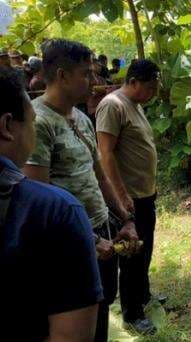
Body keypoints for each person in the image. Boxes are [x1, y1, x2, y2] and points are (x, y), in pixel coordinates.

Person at [22, 39, 143, 341]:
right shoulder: (38, 123)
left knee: (101, 305)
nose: (94, 81)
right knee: (77, 318)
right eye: (86, 74)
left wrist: (123, 218)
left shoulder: (80, 118)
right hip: (68, 238)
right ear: (62, 76)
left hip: (100, 229)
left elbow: (99, 174)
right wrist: (88, 239)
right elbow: (39, 195)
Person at [0, 67, 103, 342]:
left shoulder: (81, 118)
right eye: (30, 122)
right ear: (7, 126)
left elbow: (98, 167)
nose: (93, 81)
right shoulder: (54, 212)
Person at [96, 59, 161, 332]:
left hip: (145, 194)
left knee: (144, 251)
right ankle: (132, 314)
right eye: (149, 87)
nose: (153, 93)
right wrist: (121, 196)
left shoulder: (135, 105)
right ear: (133, 81)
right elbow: (105, 153)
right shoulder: (113, 105)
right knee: (132, 255)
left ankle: (143, 296)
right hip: (128, 198)